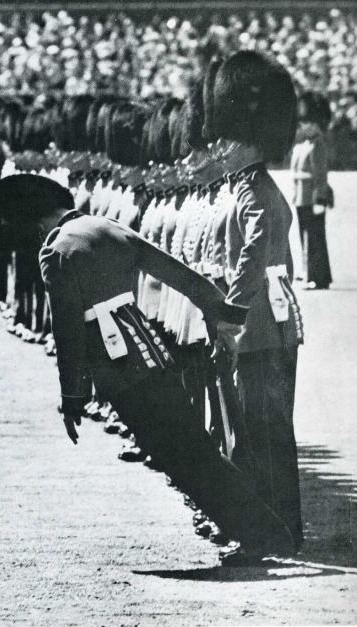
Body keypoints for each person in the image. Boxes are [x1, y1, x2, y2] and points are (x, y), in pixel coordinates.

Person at [0, 173, 296, 565]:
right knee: (194, 448)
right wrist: (223, 316)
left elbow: (68, 330)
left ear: (34, 222)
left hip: (118, 367)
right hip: (153, 351)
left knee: (182, 456)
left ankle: (260, 537)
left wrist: (73, 396)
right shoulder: (106, 226)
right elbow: (179, 274)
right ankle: (267, 534)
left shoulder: (55, 250)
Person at [202, 51, 305, 557]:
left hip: (260, 330)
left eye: (228, 139)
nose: (219, 148)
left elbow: (251, 261)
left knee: (262, 433)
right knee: (254, 431)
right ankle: (268, 526)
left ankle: (272, 530)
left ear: (250, 138)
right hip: (257, 328)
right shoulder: (244, 188)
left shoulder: (257, 192)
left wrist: (228, 318)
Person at [291, 91, 333, 290]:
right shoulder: (303, 144)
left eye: (308, 123)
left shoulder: (318, 144)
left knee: (314, 238)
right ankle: (309, 271)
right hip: (301, 197)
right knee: (305, 237)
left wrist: (320, 198)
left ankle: (317, 276)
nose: (304, 127)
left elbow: (320, 174)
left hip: (312, 198)